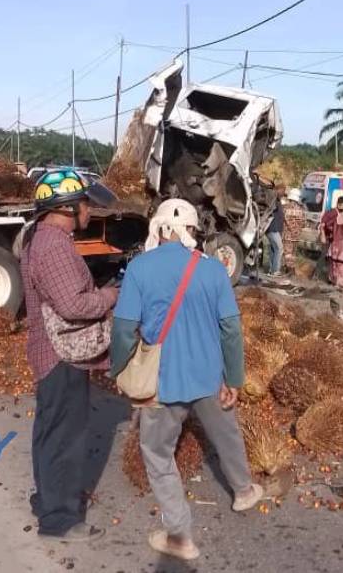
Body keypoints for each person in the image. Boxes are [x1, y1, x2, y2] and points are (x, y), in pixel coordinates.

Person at [108, 198, 264, 561]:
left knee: (159, 453)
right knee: (226, 433)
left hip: (162, 384)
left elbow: (125, 329)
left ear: (159, 228)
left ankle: (179, 536)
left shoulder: (140, 269)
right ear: (192, 231)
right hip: (210, 376)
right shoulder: (213, 270)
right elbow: (230, 329)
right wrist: (234, 377)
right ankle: (243, 491)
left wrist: (119, 370)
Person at [20, 168, 120, 541]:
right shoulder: (55, 246)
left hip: (46, 351)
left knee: (48, 429)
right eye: (84, 205)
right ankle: (60, 518)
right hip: (61, 356)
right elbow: (73, 305)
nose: (89, 212)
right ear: (67, 207)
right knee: (66, 434)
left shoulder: (38, 237)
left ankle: (46, 497)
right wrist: (110, 296)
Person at [266, 190, 285, 275]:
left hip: (273, 229)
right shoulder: (275, 201)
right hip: (273, 229)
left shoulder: (278, 202)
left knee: (273, 249)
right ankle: (275, 270)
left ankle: (271, 269)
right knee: (279, 248)